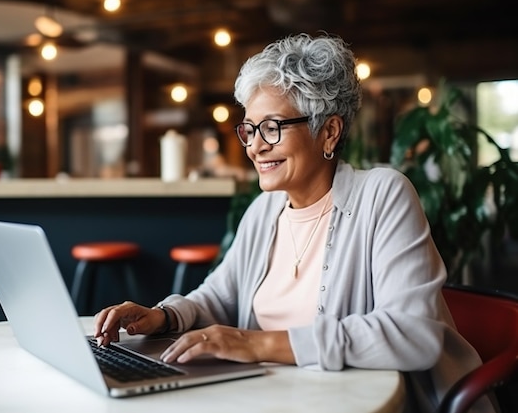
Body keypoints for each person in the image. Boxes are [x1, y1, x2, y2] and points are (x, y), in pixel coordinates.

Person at [94, 33, 494, 413]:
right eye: (249, 129)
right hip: (274, 398)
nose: (254, 146)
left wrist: (258, 345)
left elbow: (414, 334)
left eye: (272, 127)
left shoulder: (382, 196)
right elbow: (219, 297)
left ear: (329, 132)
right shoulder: (264, 211)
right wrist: (162, 316)